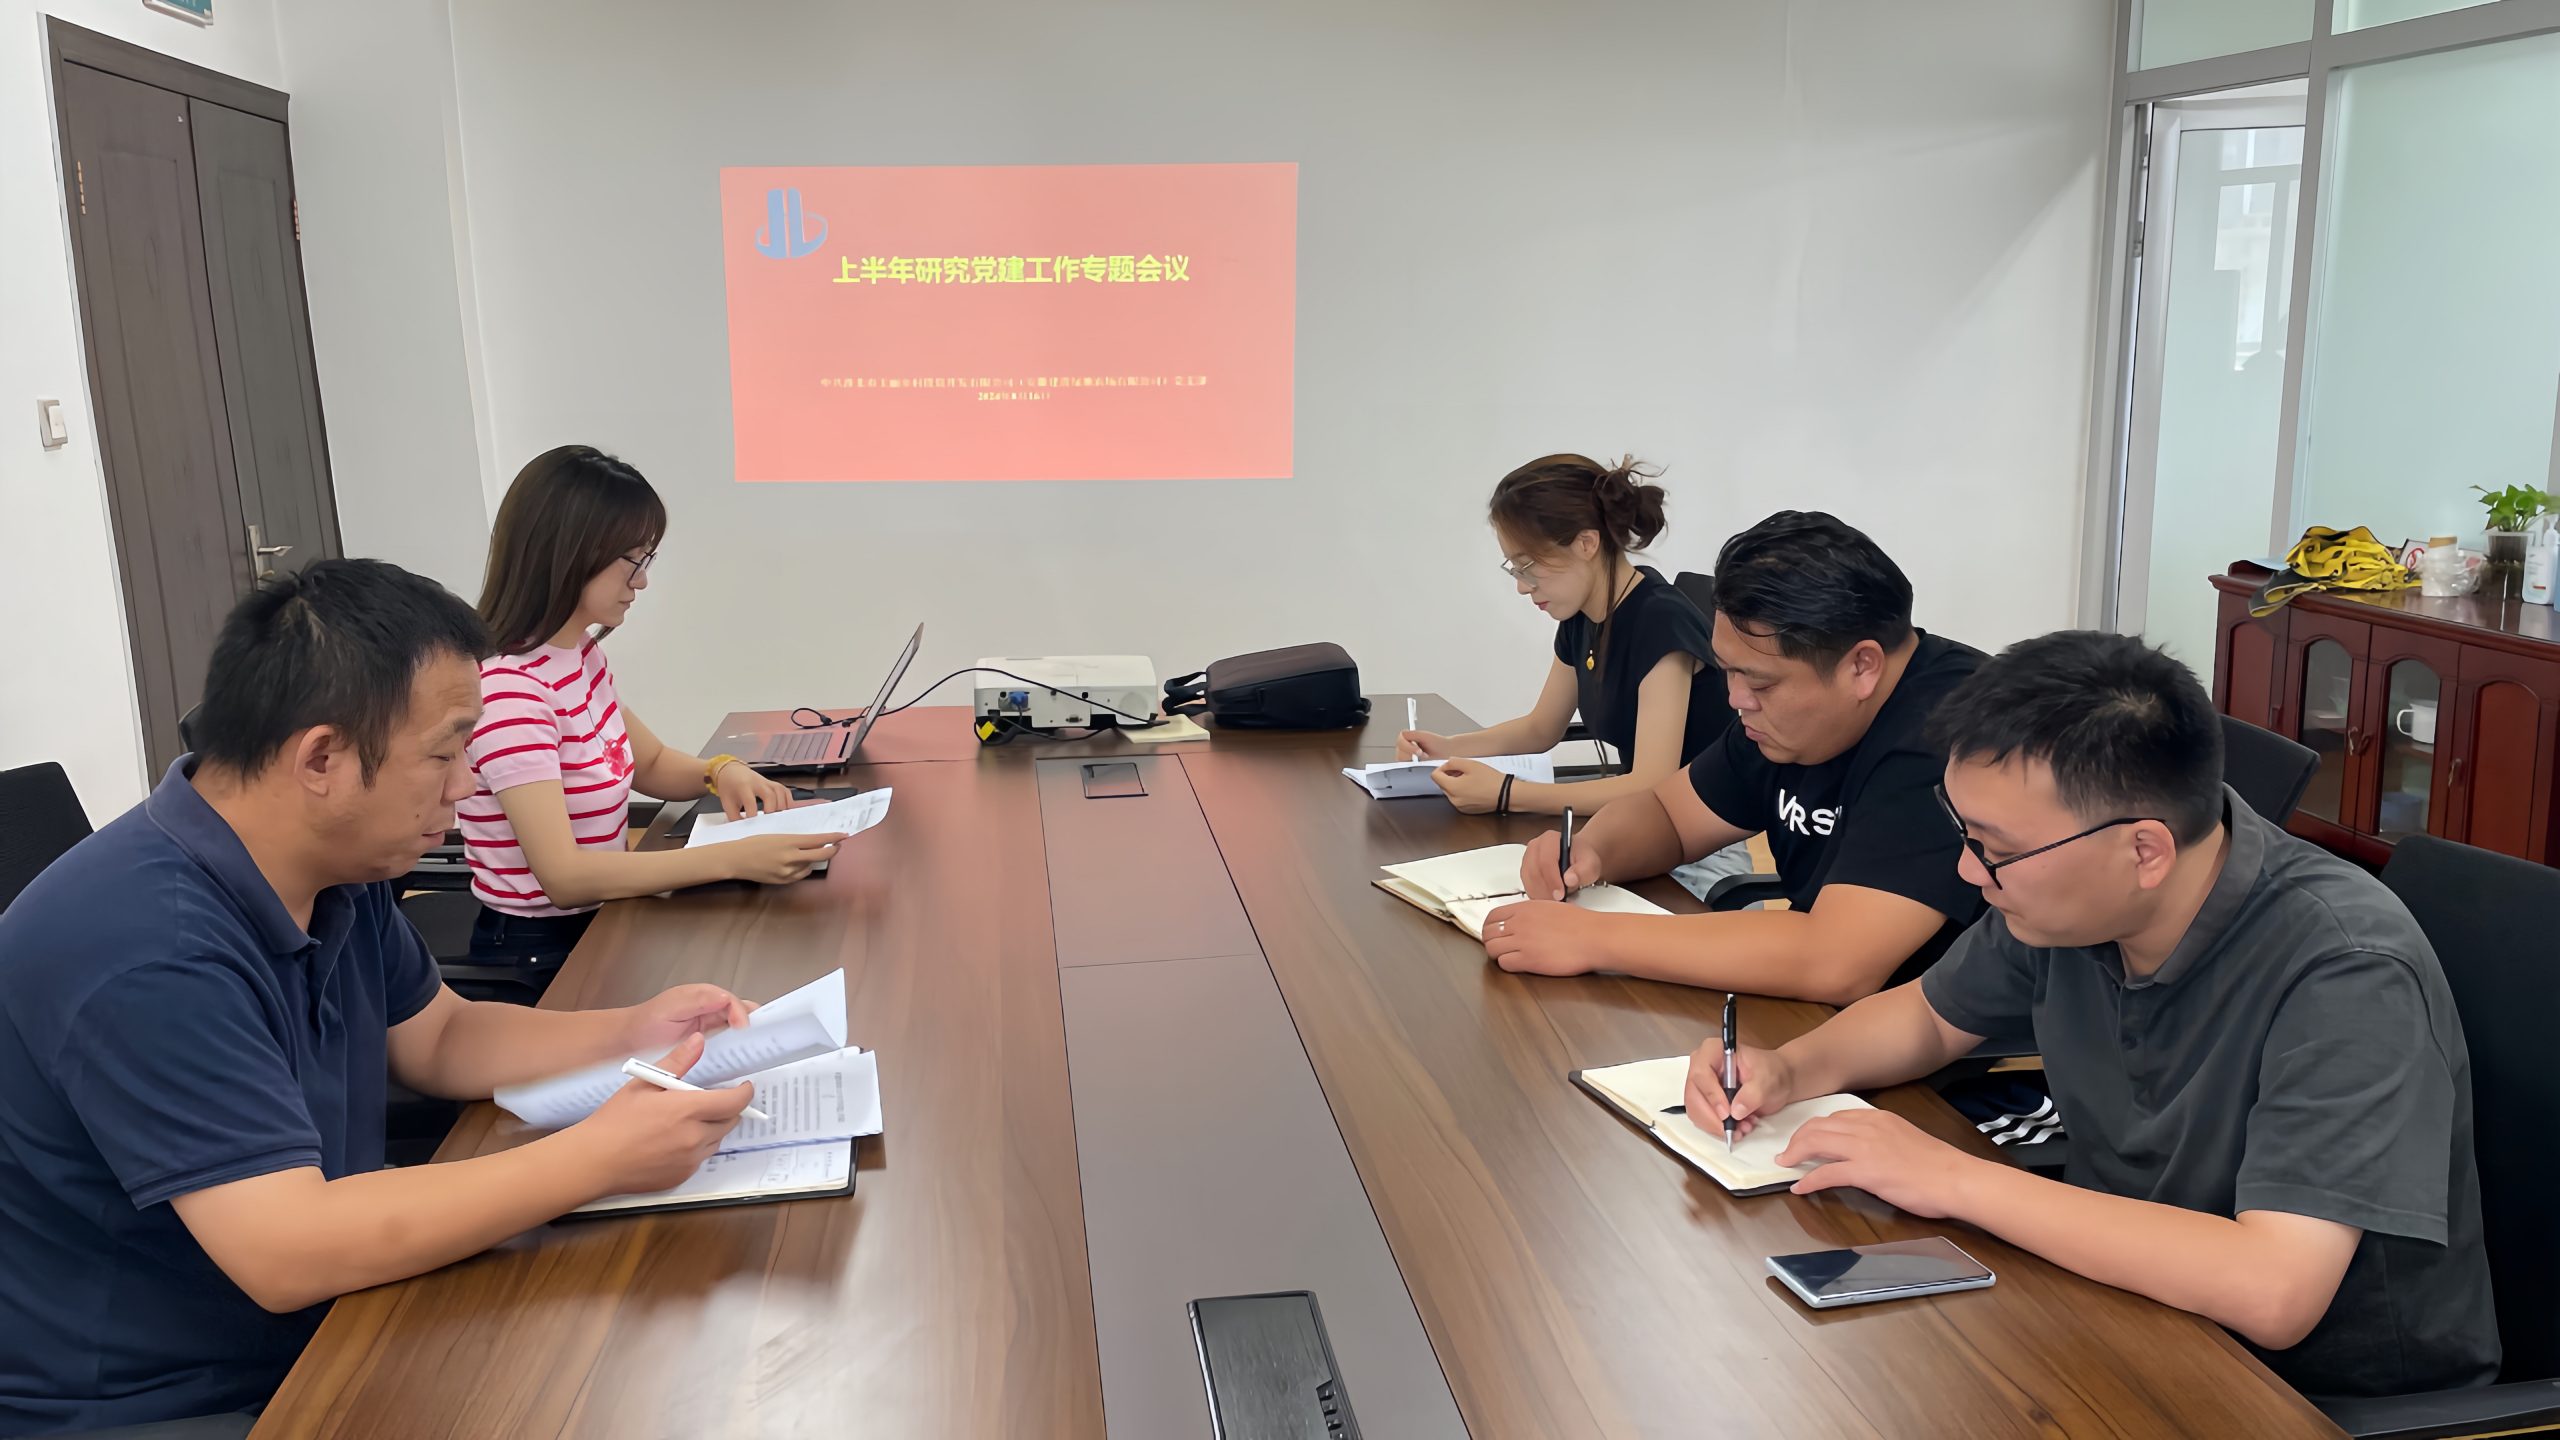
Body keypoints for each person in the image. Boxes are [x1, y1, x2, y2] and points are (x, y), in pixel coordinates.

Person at [0, 560, 769, 1434]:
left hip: (320, 1311)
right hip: (161, 1400)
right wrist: (599, 1157)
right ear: (322, 759)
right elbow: (286, 1251)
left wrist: (633, 1030)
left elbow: (439, 1037)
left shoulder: (339, 861)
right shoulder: (145, 946)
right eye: (443, 754)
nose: (466, 785)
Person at [1688, 631, 2499, 1400]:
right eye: (1963, 832)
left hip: (2304, 1393)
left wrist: (1953, 1177)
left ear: (2144, 850)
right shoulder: (2070, 901)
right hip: (2120, 1304)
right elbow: (1932, 1018)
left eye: (1994, 848)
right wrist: (1790, 1068)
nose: (1969, 870)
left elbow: (2274, 1288)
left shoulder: (2347, 970)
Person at [1484, 511, 1985, 1002]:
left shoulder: (1956, 738)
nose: (1736, 698)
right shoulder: (1781, 713)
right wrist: (1590, 851)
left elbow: (1835, 960)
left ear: (1862, 667)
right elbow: (1670, 816)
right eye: (1728, 670)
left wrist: (1592, 938)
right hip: (1827, 1021)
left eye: (1760, 682)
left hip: (1943, 1045)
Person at [465, 445, 841, 978]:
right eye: (632, 561)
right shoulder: (509, 693)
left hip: (600, 917)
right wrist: (733, 859)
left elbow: (652, 763)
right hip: (539, 953)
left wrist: (721, 771)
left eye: (647, 560)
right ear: (568, 554)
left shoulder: (577, 655)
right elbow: (564, 878)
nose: (641, 581)